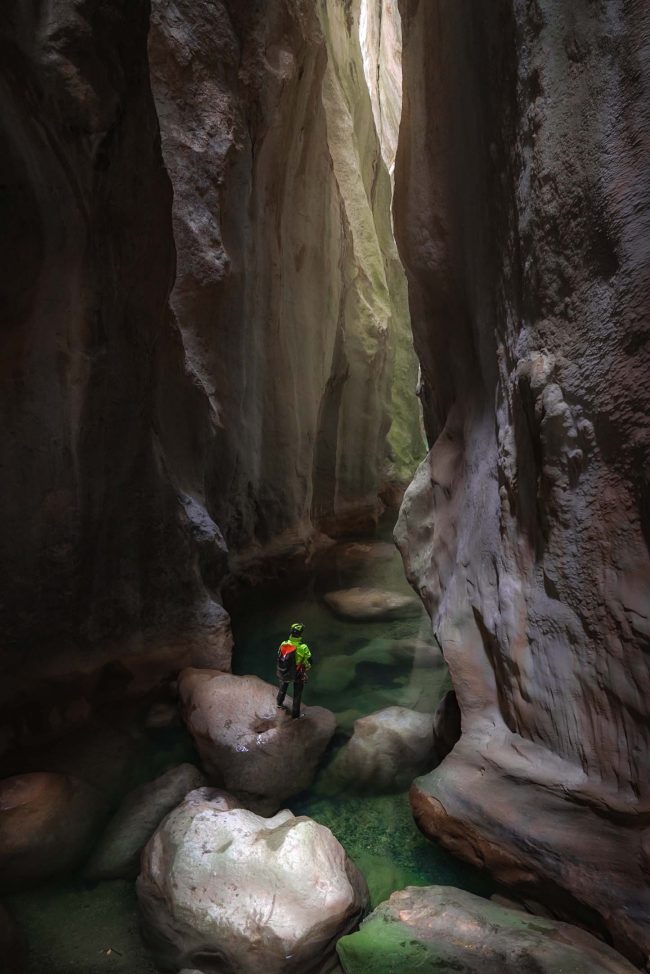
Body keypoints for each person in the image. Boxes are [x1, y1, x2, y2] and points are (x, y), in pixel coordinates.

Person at [276, 622, 312, 719]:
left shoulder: (283, 644)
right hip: (297, 673)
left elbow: (279, 654)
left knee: (283, 688)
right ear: (300, 634)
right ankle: (295, 715)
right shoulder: (303, 647)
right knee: (297, 694)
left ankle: (279, 704)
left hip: (285, 671)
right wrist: (307, 668)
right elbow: (308, 662)